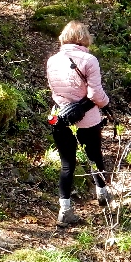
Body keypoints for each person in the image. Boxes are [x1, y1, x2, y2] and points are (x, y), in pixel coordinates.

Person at [46, 20, 110, 227]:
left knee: (67, 165)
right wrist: (106, 103)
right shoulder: (89, 60)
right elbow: (95, 95)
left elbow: (55, 90)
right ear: (84, 38)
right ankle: (103, 194)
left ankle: (64, 210)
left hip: (60, 117)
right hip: (87, 118)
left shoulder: (52, 61)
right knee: (94, 157)